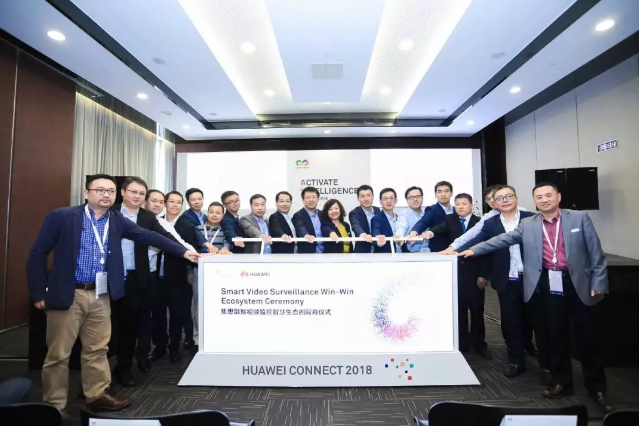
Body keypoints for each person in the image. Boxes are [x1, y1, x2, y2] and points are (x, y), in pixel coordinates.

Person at [26, 174, 199, 414]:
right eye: (100, 190)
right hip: (69, 294)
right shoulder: (64, 216)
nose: (106, 194)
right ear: (87, 193)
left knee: (98, 349)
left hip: (101, 294)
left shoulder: (116, 220)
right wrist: (38, 292)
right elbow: (38, 252)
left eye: (110, 191)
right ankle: (54, 404)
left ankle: (96, 394)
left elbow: (149, 236)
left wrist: (183, 251)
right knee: (59, 354)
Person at [458, 182, 614, 412]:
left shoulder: (579, 219)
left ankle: (597, 388)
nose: (544, 200)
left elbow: (596, 253)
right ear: (534, 200)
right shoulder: (529, 223)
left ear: (558, 197)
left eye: (548, 195)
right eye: (539, 197)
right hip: (548, 284)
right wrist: (473, 250)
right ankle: (562, 382)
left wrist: (599, 282)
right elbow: (502, 240)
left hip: (579, 284)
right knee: (555, 335)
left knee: (587, 338)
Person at [455, 185, 537, 377]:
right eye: (499, 198)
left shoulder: (532, 218)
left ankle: (544, 362)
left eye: (508, 196)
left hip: (532, 279)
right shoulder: (491, 223)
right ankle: (515, 359)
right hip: (506, 280)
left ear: (516, 197)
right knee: (510, 321)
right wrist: (454, 250)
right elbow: (476, 240)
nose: (504, 200)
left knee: (536, 319)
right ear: (494, 203)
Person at [425, 194, 490, 358]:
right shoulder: (450, 220)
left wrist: (483, 275)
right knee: (459, 310)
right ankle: (462, 344)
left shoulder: (481, 222)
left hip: (475, 273)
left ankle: (479, 344)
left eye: (464, 203)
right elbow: (439, 229)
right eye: (457, 204)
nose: (460, 206)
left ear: (471, 206)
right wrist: (430, 233)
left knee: (477, 310)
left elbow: (487, 252)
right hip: (456, 273)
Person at [146, 190, 198, 363]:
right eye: (172, 201)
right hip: (155, 277)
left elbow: (190, 249)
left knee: (177, 314)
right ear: (165, 203)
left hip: (177, 277)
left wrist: (189, 271)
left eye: (179, 202)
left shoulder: (187, 226)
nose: (175, 205)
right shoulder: (154, 222)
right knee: (157, 314)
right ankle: (159, 346)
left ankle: (174, 347)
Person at [408, 181, 455, 252]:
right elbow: (423, 221)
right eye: (439, 191)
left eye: (446, 191)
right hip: (438, 251)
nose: (443, 194)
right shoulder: (432, 209)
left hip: (455, 250)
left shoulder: (456, 210)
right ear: (435, 194)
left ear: (451, 193)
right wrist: (415, 231)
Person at [396, 186, 428, 252]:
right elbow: (401, 228)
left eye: (418, 196)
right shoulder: (404, 215)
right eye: (411, 198)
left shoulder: (427, 213)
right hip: (412, 254)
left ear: (422, 198)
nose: (415, 199)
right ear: (407, 200)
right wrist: (399, 236)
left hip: (429, 252)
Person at [348, 185, 379, 253]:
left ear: (373, 196)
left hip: (379, 250)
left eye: (368, 195)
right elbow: (355, 226)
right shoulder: (354, 213)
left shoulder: (377, 210)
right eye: (362, 196)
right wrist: (363, 235)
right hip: (363, 251)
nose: (366, 199)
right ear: (358, 198)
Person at [371, 188, 404, 253]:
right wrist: (379, 237)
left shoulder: (400, 218)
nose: (388, 201)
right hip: (385, 256)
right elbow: (376, 231)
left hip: (402, 255)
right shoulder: (376, 219)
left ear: (396, 200)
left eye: (391, 198)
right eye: (385, 199)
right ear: (380, 201)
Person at [293, 187, 324, 254]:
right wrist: (306, 235)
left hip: (325, 253)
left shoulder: (323, 214)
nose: (311, 200)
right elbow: (300, 227)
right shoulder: (298, 215)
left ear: (318, 199)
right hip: (308, 254)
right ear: (303, 200)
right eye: (308, 197)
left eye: (313, 197)